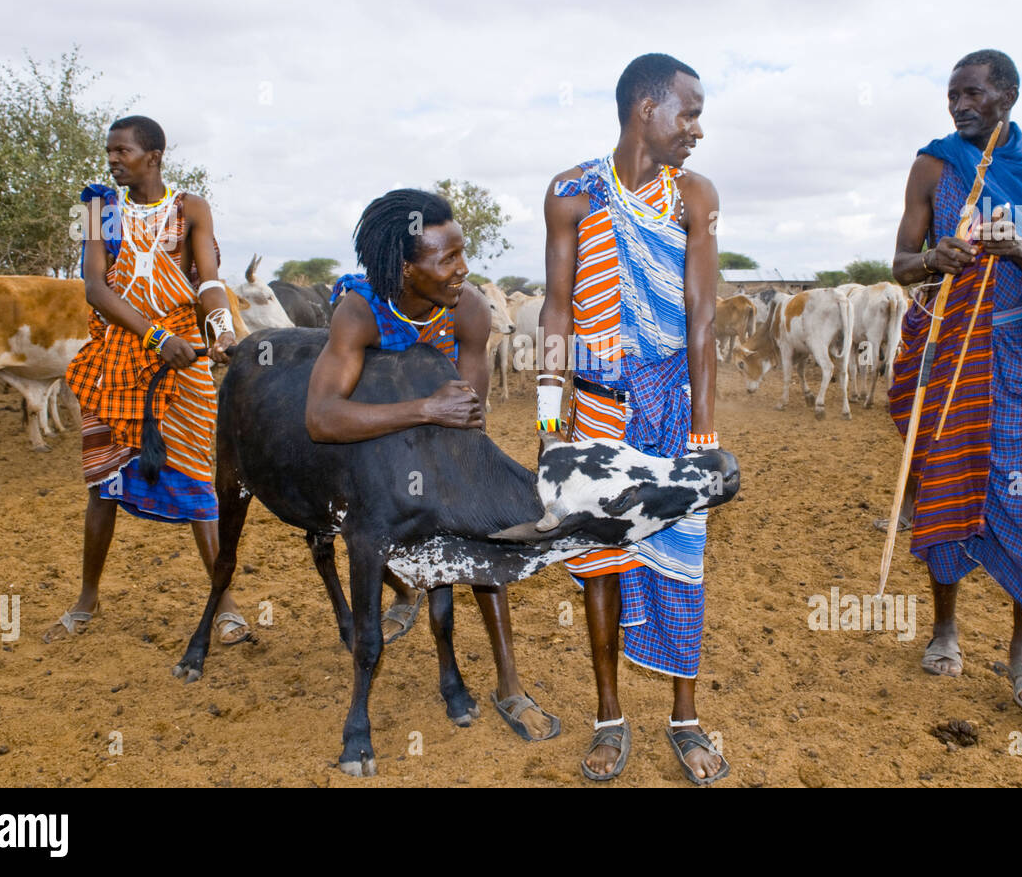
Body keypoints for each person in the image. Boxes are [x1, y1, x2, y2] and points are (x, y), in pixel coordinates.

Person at [308, 189, 559, 742]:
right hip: (374, 453)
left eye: (462, 253)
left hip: (447, 447)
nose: (462, 270)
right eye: (446, 259)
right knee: (385, 531)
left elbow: (469, 418)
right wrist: (423, 407)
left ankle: (509, 686)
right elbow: (322, 418)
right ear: (404, 268)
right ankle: (407, 586)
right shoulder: (358, 314)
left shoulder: (469, 309)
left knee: (486, 534)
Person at [540, 53, 726, 784]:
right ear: (645, 110)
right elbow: (556, 310)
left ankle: (684, 715)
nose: (697, 129)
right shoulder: (572, 192)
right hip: (593, 404)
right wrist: (549, 423)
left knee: (683, 561)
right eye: (690, 111)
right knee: (600, 564)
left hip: (673, 409)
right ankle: (609, 714)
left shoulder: (694, 197)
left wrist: (704, 432)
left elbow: (702, 319)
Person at [889, 50, 1022, 716]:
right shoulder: (933, 165)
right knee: (946, 490)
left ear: (1009, 96)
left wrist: (1019, 249)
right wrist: (932, 258)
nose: (959, 105)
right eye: (952, 95)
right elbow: (900, 262)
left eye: (972, 93)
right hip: (952, 354)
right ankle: (945, 627)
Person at [44, 116, 243, 644]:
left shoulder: (191, 208)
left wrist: (221, 332)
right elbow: (95, 289)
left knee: (201, 477)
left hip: (185, 360)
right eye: (109, 151)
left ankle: (224, 602)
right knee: (103, 484)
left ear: (152, 156)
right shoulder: (99, 209)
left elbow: (209, 282)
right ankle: (87, 598)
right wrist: (156, 339)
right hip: (118, 357)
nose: (112, 159)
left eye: (122, 151)